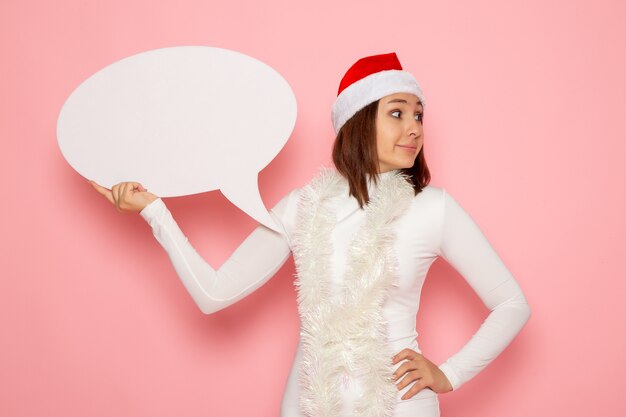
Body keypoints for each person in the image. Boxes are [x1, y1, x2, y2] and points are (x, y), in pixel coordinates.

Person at [90, 52, 531, 417]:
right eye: (396, 113)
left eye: (418, 115)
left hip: (399, 405)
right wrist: (156, 212)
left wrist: (449, 373)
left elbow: (512, 304)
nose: (414, 127)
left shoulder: (433, 209)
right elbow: (214, 294)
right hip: (308, 403)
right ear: (357, 122)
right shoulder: (302, 206)